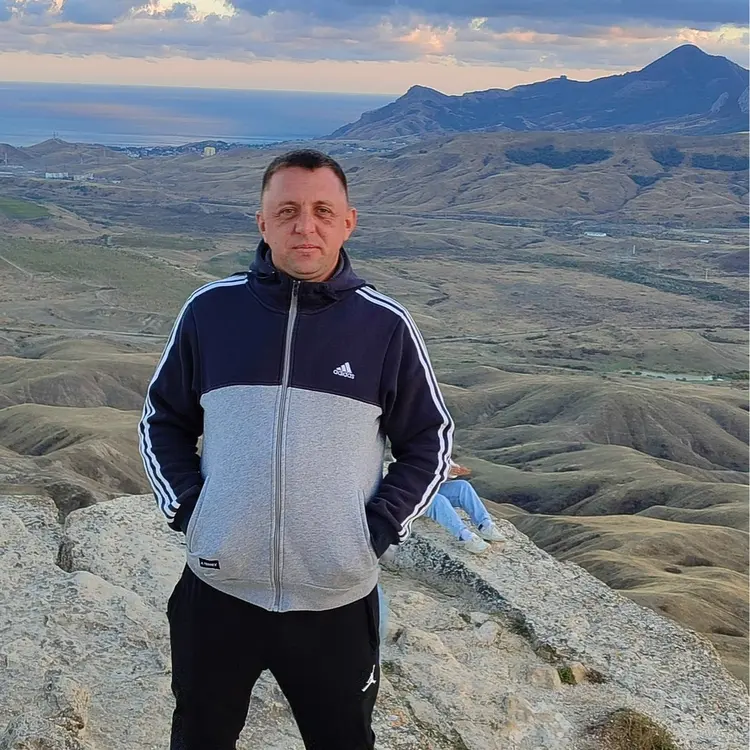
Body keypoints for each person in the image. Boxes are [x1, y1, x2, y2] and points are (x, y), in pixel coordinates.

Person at [138, 149, 454, 750]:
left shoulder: (385, 325)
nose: (305, 225)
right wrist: (194, 511)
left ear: (348, 222)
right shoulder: (210, 311)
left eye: (322, 211)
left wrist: (376, 529)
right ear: (263, 222)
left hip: (335, 598)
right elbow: (163, 420)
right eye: (287, 211)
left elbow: (429, 440)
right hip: (218, 590)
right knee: (199, 737)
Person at [424, 460, 504, 554]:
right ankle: (464, 537)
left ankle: (485, 525)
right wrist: (444, 470)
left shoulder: (431, 450)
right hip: (412, 495)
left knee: (463, 486)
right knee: (439, 500)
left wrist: (452, 470)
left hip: (429, 487)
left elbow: (441, 462)